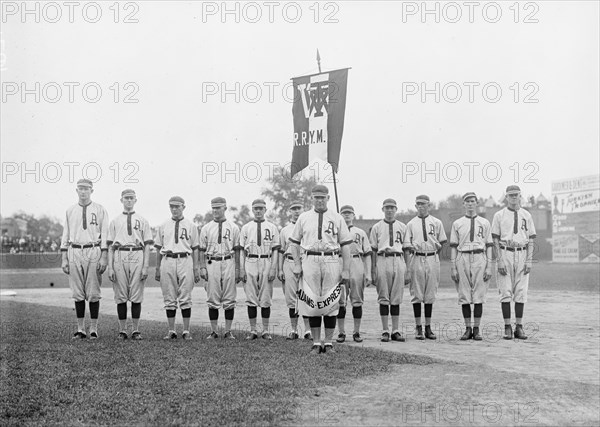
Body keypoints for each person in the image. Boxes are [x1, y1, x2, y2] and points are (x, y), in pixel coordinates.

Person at [289, 185, 352, 354]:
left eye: (322, 197)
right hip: (310, 258)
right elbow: (294, 242)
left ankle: (329, 342)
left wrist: (346, 269)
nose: (319, 200)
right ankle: (317, 343)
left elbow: (346, 245)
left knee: (331, 300)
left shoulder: (337, 217)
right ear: (311, 198)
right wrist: (296, 264)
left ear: (328, 198)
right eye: (316, 197)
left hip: (331, 258)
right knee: (313, 300)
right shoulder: (304, 217)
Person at [60, 178, 109, 340]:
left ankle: (93, 328)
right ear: (76, 190)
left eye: (86, 189)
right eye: (80, 188)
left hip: (93, 249)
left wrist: (103, 256)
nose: (83, 191)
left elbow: (105, 235)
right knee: (77, 291)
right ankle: (80, 328)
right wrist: (64, 259)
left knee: (93, 291)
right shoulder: (70, 210)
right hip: (74, 250)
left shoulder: (100, 209)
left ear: (91, 191)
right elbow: (65, 235)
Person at [107, 189, 153, 340]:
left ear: (135, 200)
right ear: (121, 200)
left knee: (136, 293)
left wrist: (146, 266)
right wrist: (110, 267)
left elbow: (147, 245)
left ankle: (135, 329)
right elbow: (110, 246)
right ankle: (122, 330)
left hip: (137, 252)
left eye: (131, 198)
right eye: (126, 198)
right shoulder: (114, 221)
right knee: (120, 294)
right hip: (120, 253)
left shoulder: (143, 220)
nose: (128, 200)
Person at [492, 185, 536, 340]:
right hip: (505, 252)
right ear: (506, 197)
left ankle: (519, 326)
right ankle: (507, 327)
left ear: (520, 196)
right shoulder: (499, 215)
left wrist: (529, 260)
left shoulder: (527, 215)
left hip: (522, 253)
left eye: (516, 195)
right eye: (510, 195)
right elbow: (495, 239)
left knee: (521, 292)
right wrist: (500, 260)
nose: (513, 198)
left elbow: (530, 239)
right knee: (505, 292)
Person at [154, 196, 200, 340]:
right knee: (169, 296)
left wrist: (196, 268)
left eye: (177, 206)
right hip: (167, 259)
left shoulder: (191, 226)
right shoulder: (163, 225)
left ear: (183, 207)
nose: (174, 209)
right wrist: (157, 267)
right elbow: (158, 248)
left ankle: (186, 330)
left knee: (185, 295)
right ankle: (171, 330)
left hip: (185, 259)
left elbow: (196, 248)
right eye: (172, 206)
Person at [449, 192, 493, 341]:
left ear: (477, 203)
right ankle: (467, 329)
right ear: (463, 204)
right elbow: (454, 247)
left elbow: (489, 245)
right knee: (464, 294)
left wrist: (489, 266)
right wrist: (453, 266)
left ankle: (477, 329)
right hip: (463, 256)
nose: (469, 203)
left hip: (480, 256)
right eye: (467, 201)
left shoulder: (485, 222)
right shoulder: (457, 223)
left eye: (472, 201)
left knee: (479, 295)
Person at [199, 197, 243, 340]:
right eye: (213, 208)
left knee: (230, 297)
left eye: (218, 207)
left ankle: (228, 331)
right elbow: (201, 250)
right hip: (212, 262)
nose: (215, 210)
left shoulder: (233, 227)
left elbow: (237, 250)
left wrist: (238, 269)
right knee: (212, 297)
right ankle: (214, 331)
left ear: (225, 208)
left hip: (228, 261)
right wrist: (202, 267)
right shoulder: (206, 228)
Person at [405, 195, 447, 340]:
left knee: (430, 294)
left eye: (424, 204)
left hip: (432, 257)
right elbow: (407, 245)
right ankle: (418, 327)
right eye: (418, 204)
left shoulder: (436, 222)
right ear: (415, 206)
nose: (421, 206)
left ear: (429, 206)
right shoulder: (410, 224)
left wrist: (432, 254)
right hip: (416, 257)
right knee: (417, 294)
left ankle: (428, 327)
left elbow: (442, 242)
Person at [369, 199, 409, 342]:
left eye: (392, 207)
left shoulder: (403, 226)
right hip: (382, 259)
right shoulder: (377, 227)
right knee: (384, 297)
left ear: (396, 209)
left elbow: (406, 250)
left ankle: (396, 330)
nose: (390, 210)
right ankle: (385, 330)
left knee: (396, 297)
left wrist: (407, 269)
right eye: (387, 207)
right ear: (383, 209)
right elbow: (373, 250)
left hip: (398, 259)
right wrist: (373, 269)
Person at [240, 199, 280, 340]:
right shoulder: (246, 227)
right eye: (255, 208)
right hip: (250, 260)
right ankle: (252, 330)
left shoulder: (272, 227)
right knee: (251, 297)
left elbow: (275, 250)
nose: (258, 211)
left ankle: (265, 330)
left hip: (266, 260)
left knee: (266, 297)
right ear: (252, 210)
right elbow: (241, 250)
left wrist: (273, 268)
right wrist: (242, 269)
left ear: (265, 210)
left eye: (261, 208)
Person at [337, 205, 372, 343]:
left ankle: (356, 332)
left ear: (354, 215)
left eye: (349, 213)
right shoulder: (335, 231)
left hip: (357, 261)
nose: (346, 215)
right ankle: (341, 332)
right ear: (340, 215)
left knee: (357, 300)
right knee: (340, 301)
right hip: (340, 261)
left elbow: (368, 253)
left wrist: (368, 273)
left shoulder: (360, 232)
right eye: (344, 213)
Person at [278, 201, 312, 340]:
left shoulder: (309, 227)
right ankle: (293, 329)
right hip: (289, 261)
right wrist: (280, 269)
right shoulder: (285, 230)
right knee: (291, 298)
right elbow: (281, 251)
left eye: (299, 208)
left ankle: (308, 330)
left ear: (303, 210)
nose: (296, 211)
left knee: (306, 296)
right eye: (294, 209)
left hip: (306, 261)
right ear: (290, 212)